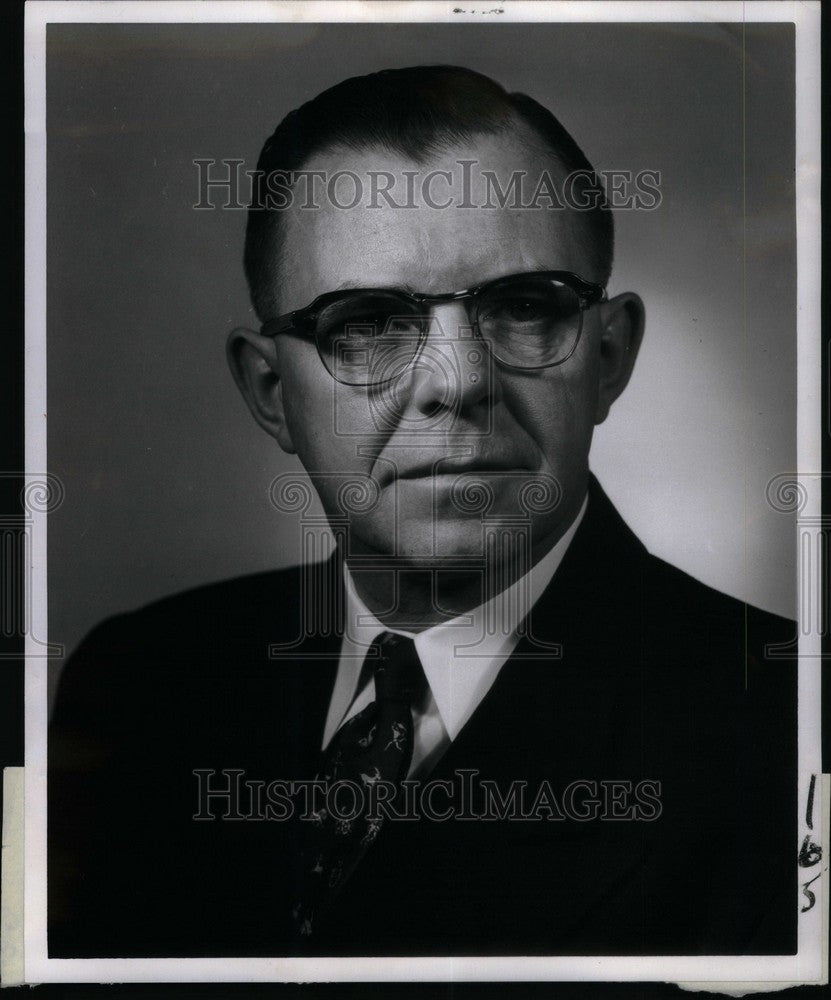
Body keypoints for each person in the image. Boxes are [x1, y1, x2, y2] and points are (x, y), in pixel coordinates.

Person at [48, 65, 796, 958]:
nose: (459, 383)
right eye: (366, 322)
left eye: (524, 307)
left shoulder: (784, 733)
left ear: (608, 358)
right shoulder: (141, 683)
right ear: (269, 392)